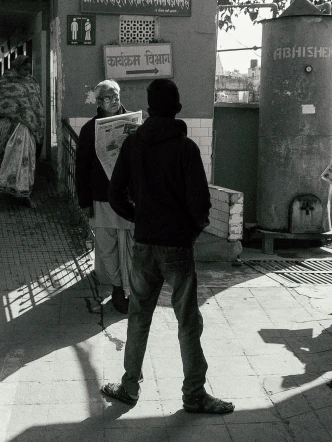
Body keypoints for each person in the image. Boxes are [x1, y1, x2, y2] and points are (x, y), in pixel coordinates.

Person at [102, 79, 235, 415]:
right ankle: (194, 395)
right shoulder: (185, 148)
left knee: (138, 317)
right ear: (176, 107)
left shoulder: (133, 145)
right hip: (176, 245)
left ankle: (129, 387)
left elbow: (115, 195)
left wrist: (141, 218)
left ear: (147, 108)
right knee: (188, 320)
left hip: (145, 244)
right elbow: (200, 204)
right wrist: (188, 232)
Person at [76, 80, 133, 313]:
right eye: (108, 97)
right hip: (102, 196)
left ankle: (132, 290)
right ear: (99, 102)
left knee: (131, 246)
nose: (114, 100)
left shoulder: (133, 123)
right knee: (108, 247)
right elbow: (81, 168)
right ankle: (118, 288)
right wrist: (85, 202)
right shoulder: (90, 129)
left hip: (129, 197)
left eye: (116, 95)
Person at [0, 56, 44, 208]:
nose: (26, 72)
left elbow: (36, 105)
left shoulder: (32, 83)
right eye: (24, 69)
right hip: (11, 128)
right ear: (16, 67)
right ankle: (9, 190)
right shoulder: (5, 82)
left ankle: (24, 193)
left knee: (27, 160)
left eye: (28, 69)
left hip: (28, 128)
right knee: (11, 158)